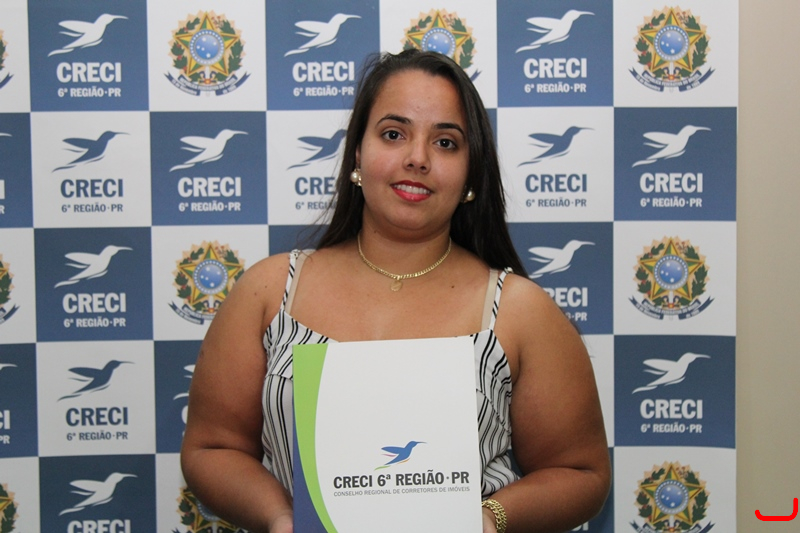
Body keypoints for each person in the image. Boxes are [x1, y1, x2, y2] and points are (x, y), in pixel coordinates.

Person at [181, 49, 610, 533]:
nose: (417, 158)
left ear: (471, 173)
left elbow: (581, 473)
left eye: (446, 142)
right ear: (357, 154)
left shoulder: (520, 310)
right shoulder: (269, 291)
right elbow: (212, 448)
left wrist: (487, 519)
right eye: (393, 134)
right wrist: (281, 519)